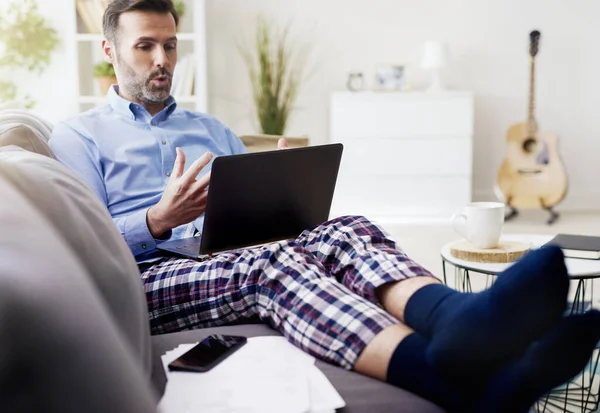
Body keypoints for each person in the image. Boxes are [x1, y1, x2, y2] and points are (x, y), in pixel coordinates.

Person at [48, 1, 600, 411]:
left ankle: (456, 318)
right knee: (273, 268)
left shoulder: (211, 128)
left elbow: (254, 221)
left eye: (169, 45)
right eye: (145, 45)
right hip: (147, 278)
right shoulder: (79, 136)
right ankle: (444, 376)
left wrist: (281, 196)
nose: (162, 59)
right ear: (110, 50)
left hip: (226, 255)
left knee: (347, 228)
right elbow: (80, 247)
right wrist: (156, 220)